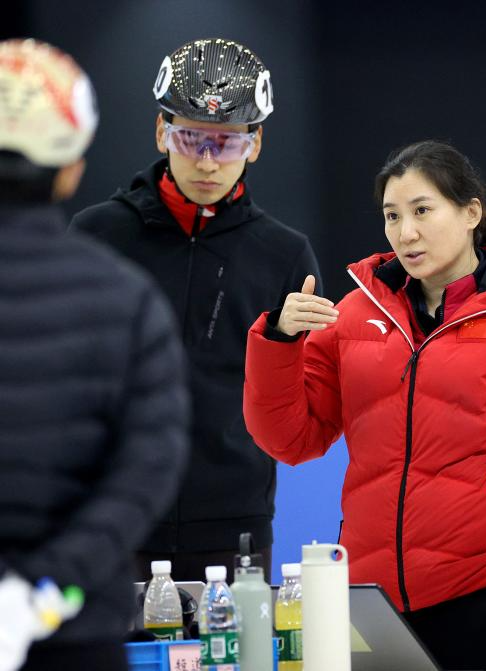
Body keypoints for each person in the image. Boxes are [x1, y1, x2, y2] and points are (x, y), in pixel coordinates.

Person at [243, 140, 486, 670]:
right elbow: (290, 441)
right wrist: (280, 342)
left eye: (422, 211)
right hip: (372, 604)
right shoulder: (355, 316)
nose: (406, 233)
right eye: (392, 216)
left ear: (470, 212)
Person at [69, 38, 321, 581]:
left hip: (234, 522)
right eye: (191, 139)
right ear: (162, 132)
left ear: (256, 144)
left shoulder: (285, 254)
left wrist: (280, 342)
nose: (207, 162)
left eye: (227, 143)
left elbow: (299, 413)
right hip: (110, 515)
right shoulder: (96, 236)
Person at [0, 39, 189, 671]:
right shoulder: (126, 299)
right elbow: (147, 468)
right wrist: (40, 592)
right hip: (75, 632)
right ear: (70, 168)